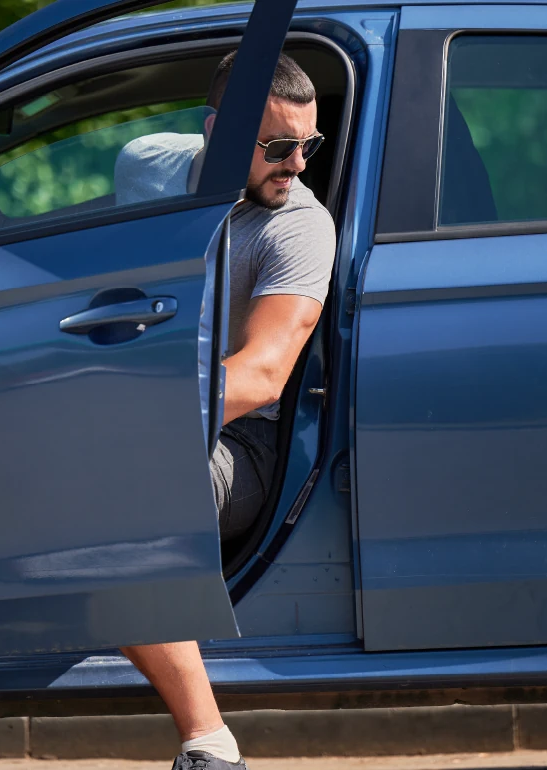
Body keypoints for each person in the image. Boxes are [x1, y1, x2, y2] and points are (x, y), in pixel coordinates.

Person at [113, 52, 335, 770]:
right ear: (218, 132)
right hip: (141, 408)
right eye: (278, 146)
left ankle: (210, 745)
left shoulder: (300, 228)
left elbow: (263, 375)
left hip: (239, 441)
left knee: (107, 501)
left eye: (309, 144)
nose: (297, 164)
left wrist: (124, 421)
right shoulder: (144, 164)